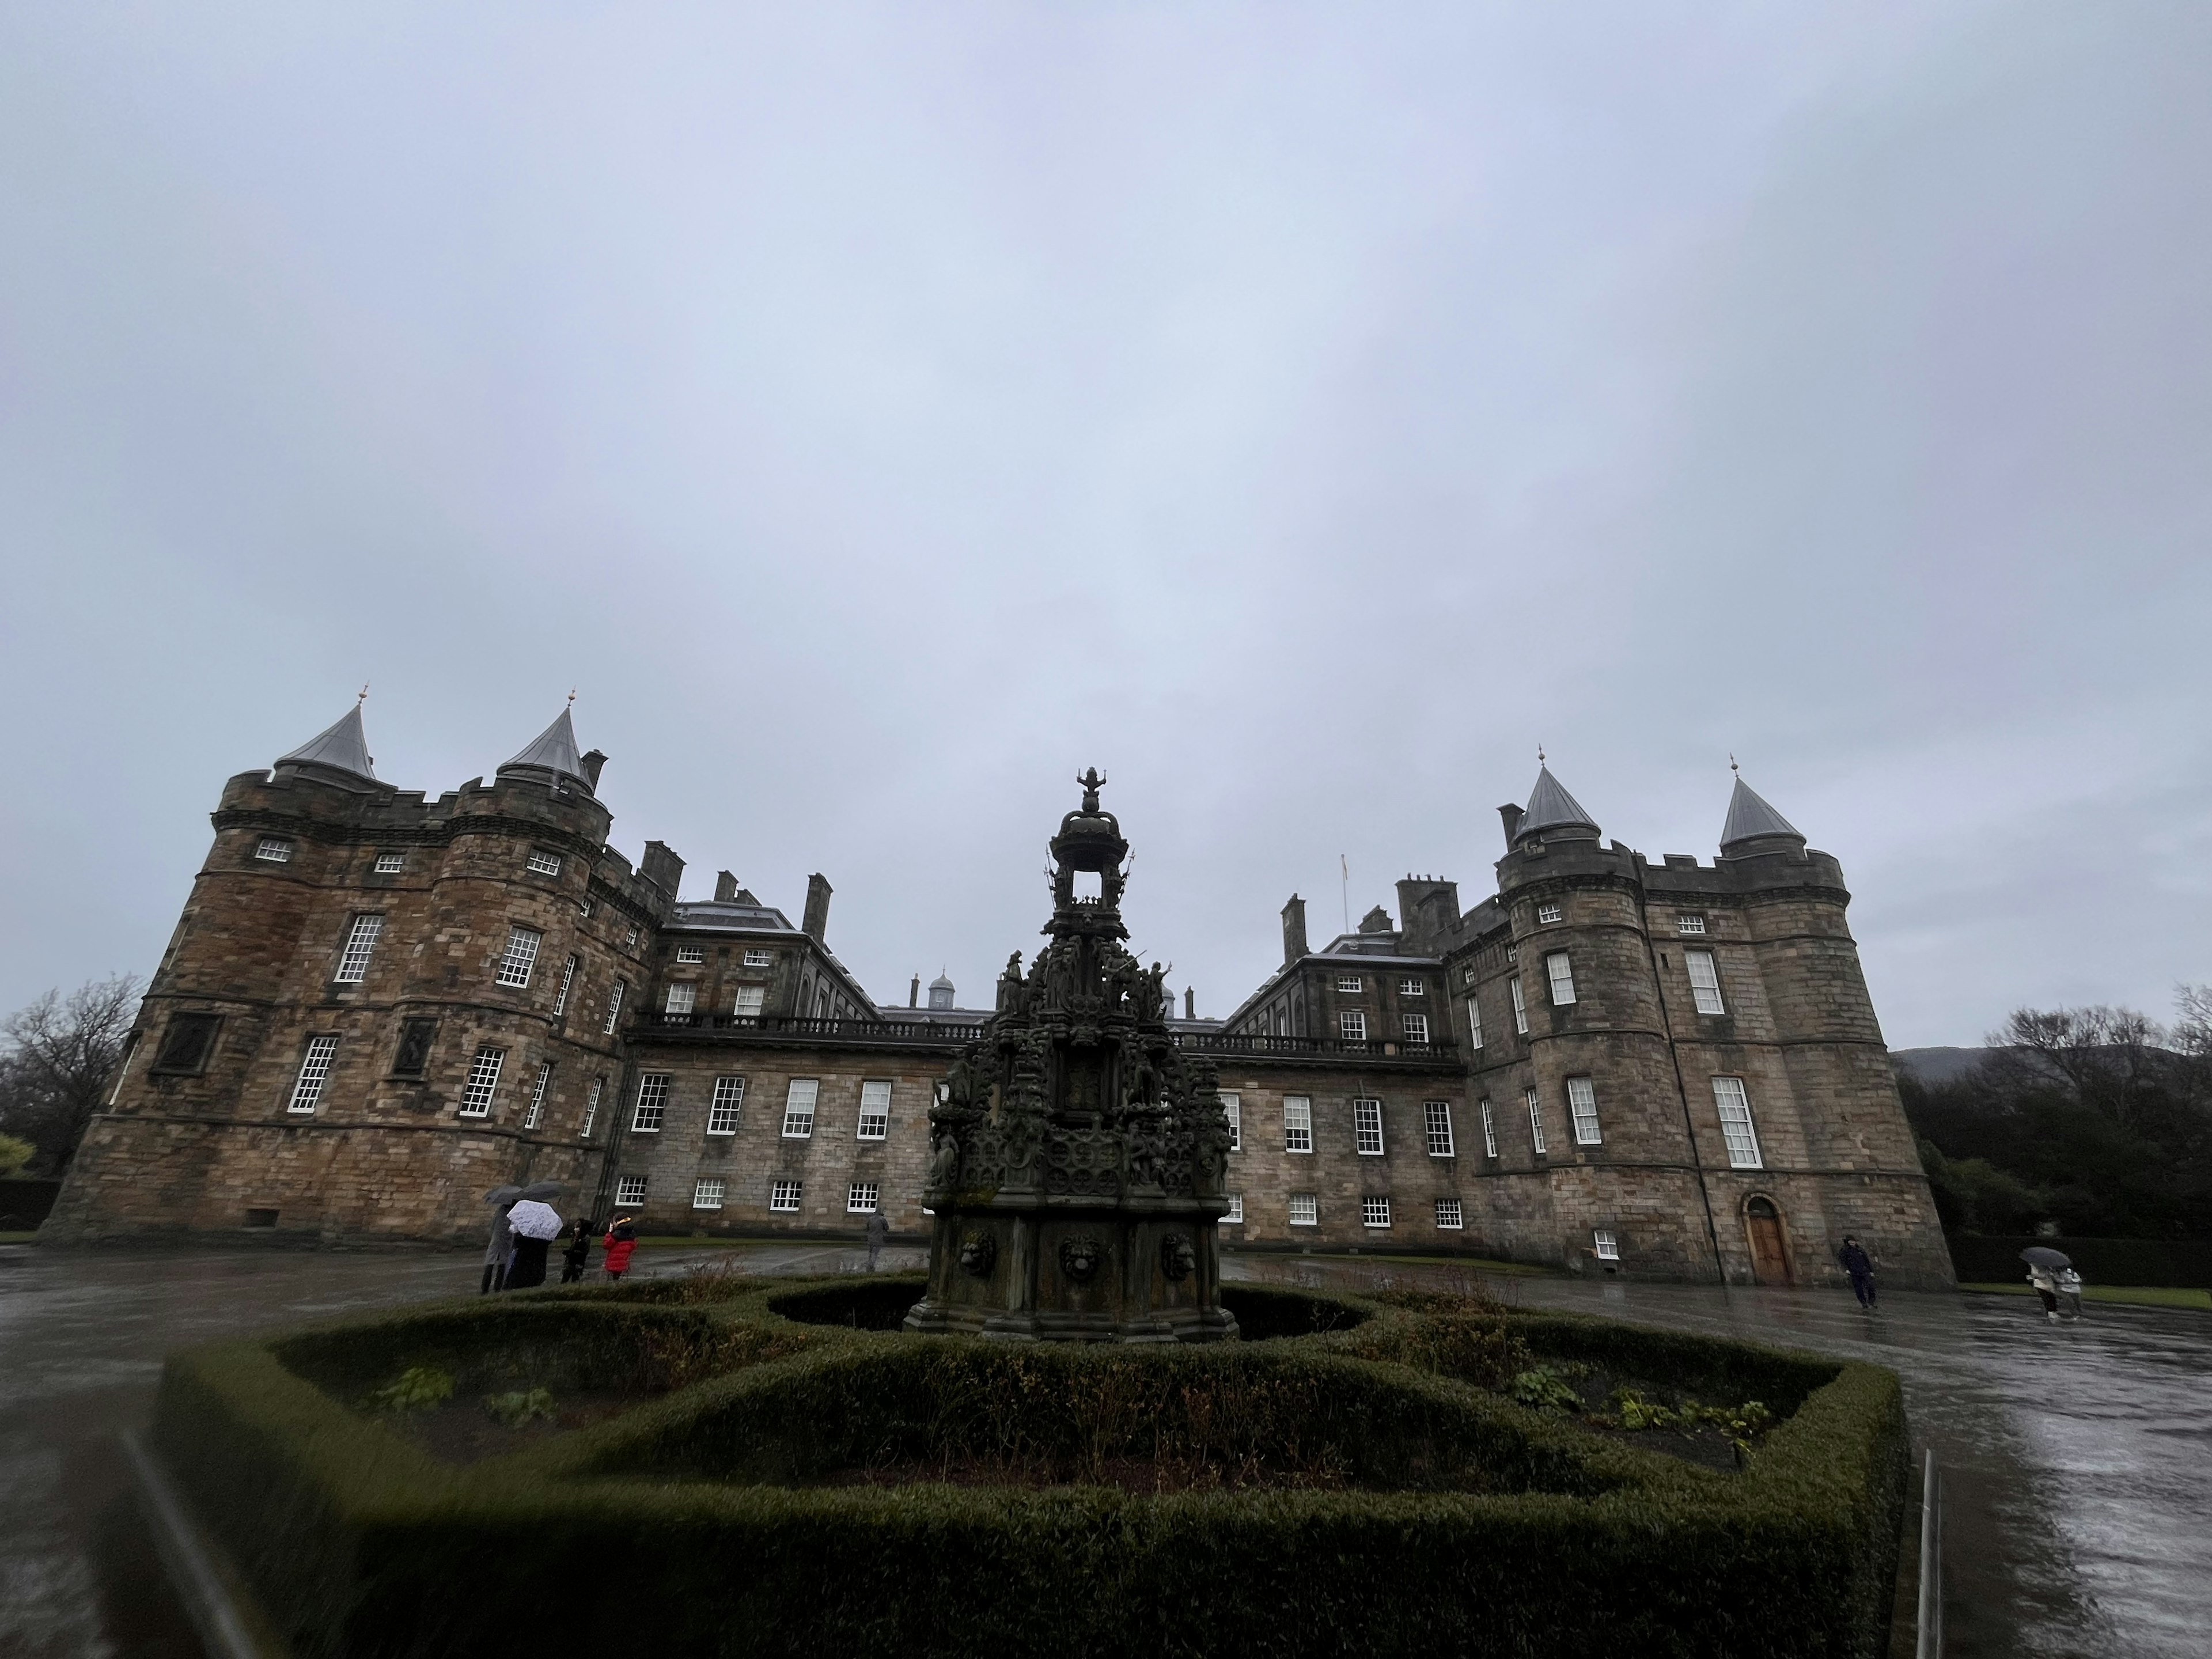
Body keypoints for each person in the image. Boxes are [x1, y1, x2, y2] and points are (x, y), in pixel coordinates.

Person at [480, 1200, 516, 1295]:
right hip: (506, 1242)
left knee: (490, 1264)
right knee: (502, 1265)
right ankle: (498, 1287)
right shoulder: (514, 1213)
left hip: (496, 1240)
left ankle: (485, 1288)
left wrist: (493, 1236)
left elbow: (493, 1226)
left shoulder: (499, 1212)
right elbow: (513, 1228)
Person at [1837, 1235, 1877, 1309]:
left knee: (1871, 1287)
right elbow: (1842, 1261)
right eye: (1851, 1241)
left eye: (1853, 1241)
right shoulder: (1845, 1251)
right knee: (1859, 1289)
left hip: (1864, 1271)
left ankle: (1871, 1302)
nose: (1852, 1243)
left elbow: (1867, 1261)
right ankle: (1864, 1303)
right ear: (1847, 1242)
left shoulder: (1860, 1250)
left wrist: (1871, 1271)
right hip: (1854, 1272)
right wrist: (1846, 1269)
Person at [559, 1217, 594, 1283]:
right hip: (570, 1262)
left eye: (578, 1227)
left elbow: (585, 1252)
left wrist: (572, 1252)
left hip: (578, 1262)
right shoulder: (575, 1236)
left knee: (575, 1280)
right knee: (564, 1279)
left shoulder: (585, 1238)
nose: (576, 1229)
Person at [602, 1216, 637, 1281]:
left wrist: (610, 1232)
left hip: (612, 1264)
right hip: (623, 1264)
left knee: (611, 1281)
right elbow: (633, 1246)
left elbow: (606, 1245)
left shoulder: (615, 1235)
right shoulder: (631, 1235)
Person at [865, 1207, 889, 1271]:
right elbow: (887, 1228)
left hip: (870, 1238)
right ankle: (871, 1266)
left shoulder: (870, 1219)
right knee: (874, 1253)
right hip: (878, 1238)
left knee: (871, 1252)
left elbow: (867, 1228)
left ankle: (870, 1264)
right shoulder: (882, 1219)